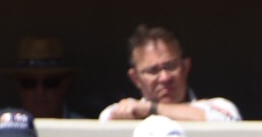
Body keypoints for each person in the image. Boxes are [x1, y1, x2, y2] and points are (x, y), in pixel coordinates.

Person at [99, 25, 241, 122]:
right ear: (135, 78)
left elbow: (227, 121)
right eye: (153, 71)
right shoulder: (124, 112)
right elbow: (105, 120)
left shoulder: (218, 108)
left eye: (171, 66)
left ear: (185, 67)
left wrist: (150, 109)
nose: (165, 77)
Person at [3, 36, 86, 120]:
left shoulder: (85, 130)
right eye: (29, 83)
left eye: (50, 82)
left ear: (65, 85)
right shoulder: (3, 130)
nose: (40, 91)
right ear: (18, 86)